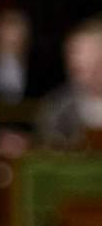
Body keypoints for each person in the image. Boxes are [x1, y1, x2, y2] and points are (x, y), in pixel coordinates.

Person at [36, 16, 102, 148]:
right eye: (72, 52)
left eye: (86, 52)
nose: (76, 59)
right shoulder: (57, 107)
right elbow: (47, 148)